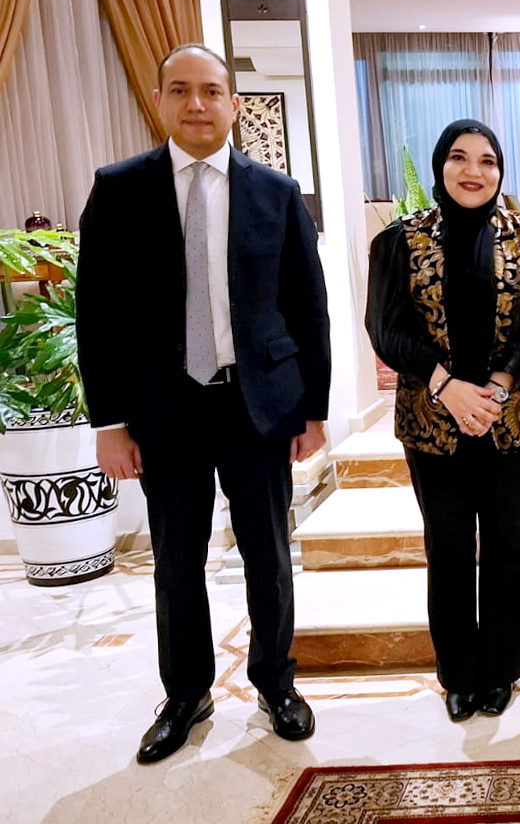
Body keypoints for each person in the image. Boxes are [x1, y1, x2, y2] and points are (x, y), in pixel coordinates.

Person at [75, 43, 330, 763]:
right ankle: (186, 693)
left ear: (234, 105)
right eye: (181, 90)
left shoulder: (275, 191)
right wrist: (109, 422)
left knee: (268, 554)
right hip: (165, 411)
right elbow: (97, 314)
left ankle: (276, 682)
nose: (197, 104)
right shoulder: (119, 190)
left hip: (257, 406)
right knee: (177, 559)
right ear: (159, 101)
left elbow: (307, 307)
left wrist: (312, 410)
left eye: (212, 91)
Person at [366, 119, 520, 722]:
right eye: (459, 157)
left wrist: (498, 387)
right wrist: (446, 387)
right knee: (447, 549)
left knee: (507, 546)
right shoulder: (399, 241)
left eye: (487, 160)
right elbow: (386, 328)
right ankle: (457, 673)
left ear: (501, 171)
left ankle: (501, 670)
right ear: (440, 166)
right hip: (432, 423)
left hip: (511, 421)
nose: (473, 171)